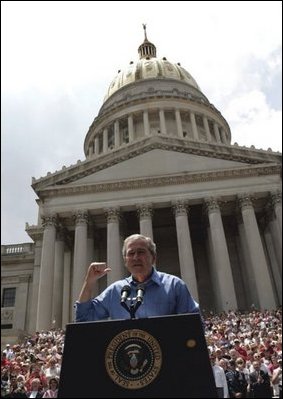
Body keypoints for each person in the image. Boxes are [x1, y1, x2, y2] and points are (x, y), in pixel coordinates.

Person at [75, 233, 200, 322]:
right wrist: (89, 282)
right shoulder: (115, 291)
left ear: (153, 258)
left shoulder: (174, 286)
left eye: (141, 252)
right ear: (125, 261)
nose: (135, 257)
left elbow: (194, 324)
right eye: (131, 253)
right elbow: (83, 318)